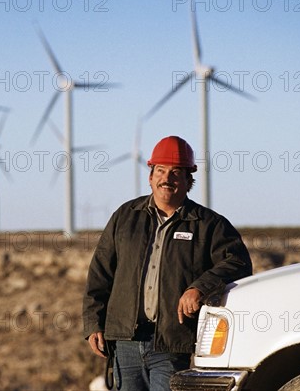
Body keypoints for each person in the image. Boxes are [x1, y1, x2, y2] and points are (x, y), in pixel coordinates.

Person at [83, 136, 252, 391]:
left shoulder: (208, 224)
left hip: (172, 344)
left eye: (176, 173)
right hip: (124, 341)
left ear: (188, 180)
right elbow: (100, 274)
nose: (167, 179)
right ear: (150, 177)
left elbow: (237, 261)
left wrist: (199, 288)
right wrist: (94, 323)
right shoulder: (125, 217)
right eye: (160, 171)